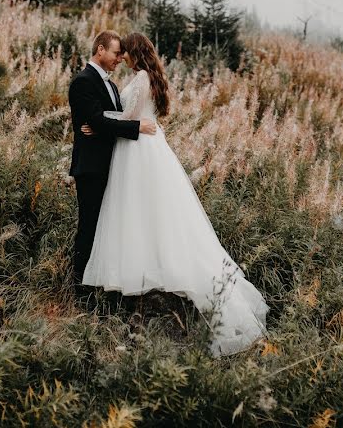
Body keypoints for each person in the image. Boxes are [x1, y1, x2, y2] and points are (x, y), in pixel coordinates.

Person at [80, 32, 268, 356]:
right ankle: (139, 299)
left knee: (139, 216)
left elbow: (130, 119)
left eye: (125, 52)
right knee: (154, 218)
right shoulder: (149, 77)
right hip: (147, 148)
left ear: (135, 53)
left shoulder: (140, 78)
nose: (122, 57)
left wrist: (98, 123)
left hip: (139, 153)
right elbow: (141, 120)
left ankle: (139, 301)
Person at [68, 30, 157, 283]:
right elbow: (96, 119)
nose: (120, 58)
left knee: (106, 225)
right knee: (89, 225)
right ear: (100, 50)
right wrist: (135, 127)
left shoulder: (111, 84)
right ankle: (79, 286)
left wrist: (100, 123)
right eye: (116, 53)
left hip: (112, 163)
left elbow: (104, 119)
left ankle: (102, 279)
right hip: (92, 166)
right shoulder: (83, 81)